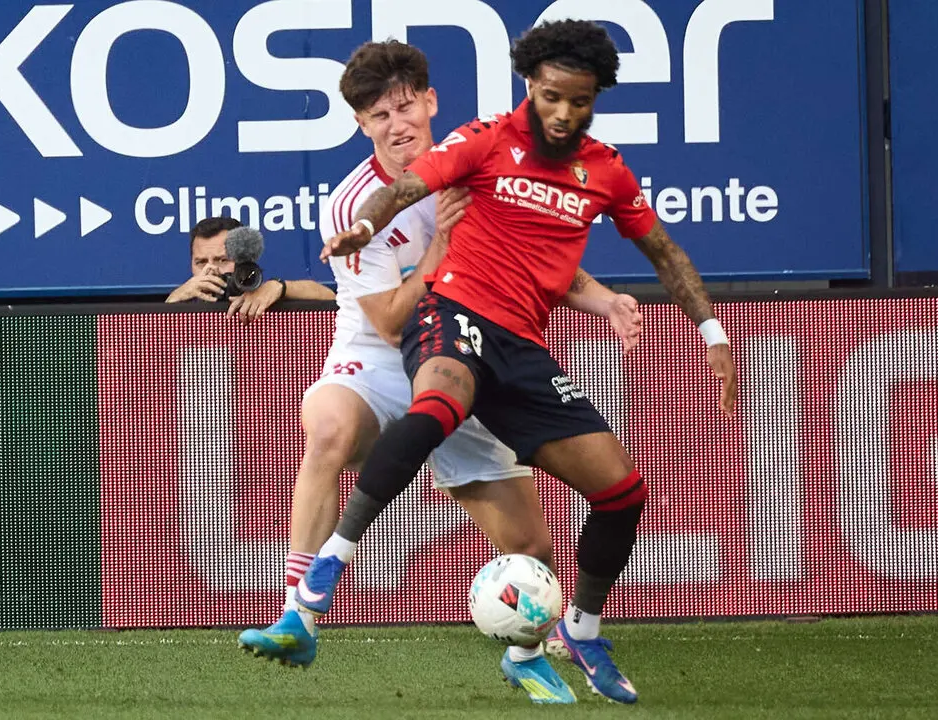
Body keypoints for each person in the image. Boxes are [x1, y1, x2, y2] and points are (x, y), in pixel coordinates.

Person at [298, 20, 740, 705]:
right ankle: (328, 564)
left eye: (580, 101)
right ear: (530, 86)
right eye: (553, 96)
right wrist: (365, 225)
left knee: (621, 492)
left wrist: (710, 329)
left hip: (523, 350)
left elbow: (662, 253)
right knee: (428, 409)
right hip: (448, 318)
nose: (564, 113)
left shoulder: (606, 170)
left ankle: (580, 630)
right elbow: (412, 186)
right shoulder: (483, 140)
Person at [236, 39, 646, 704]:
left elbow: (539, 261)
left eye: (404, 107)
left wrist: (605, 301)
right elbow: (394, 323)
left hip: (470, 353)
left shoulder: (478, 164)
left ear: (429, 103)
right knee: (331, 430)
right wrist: (439, 250)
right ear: (361, 126)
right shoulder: (353, 205)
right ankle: (298, 614)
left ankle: (526, 651)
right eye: (377, 116)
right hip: (379, 360)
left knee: (533, 551)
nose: (396, 124)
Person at [165, 216, 334, 320]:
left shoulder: (264, 296)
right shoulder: (182, 308)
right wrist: (171, 304)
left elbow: (330, 297)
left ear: (243, 261)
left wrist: (280, 287)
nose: (211, 269)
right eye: (201, 262)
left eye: (222, 260)